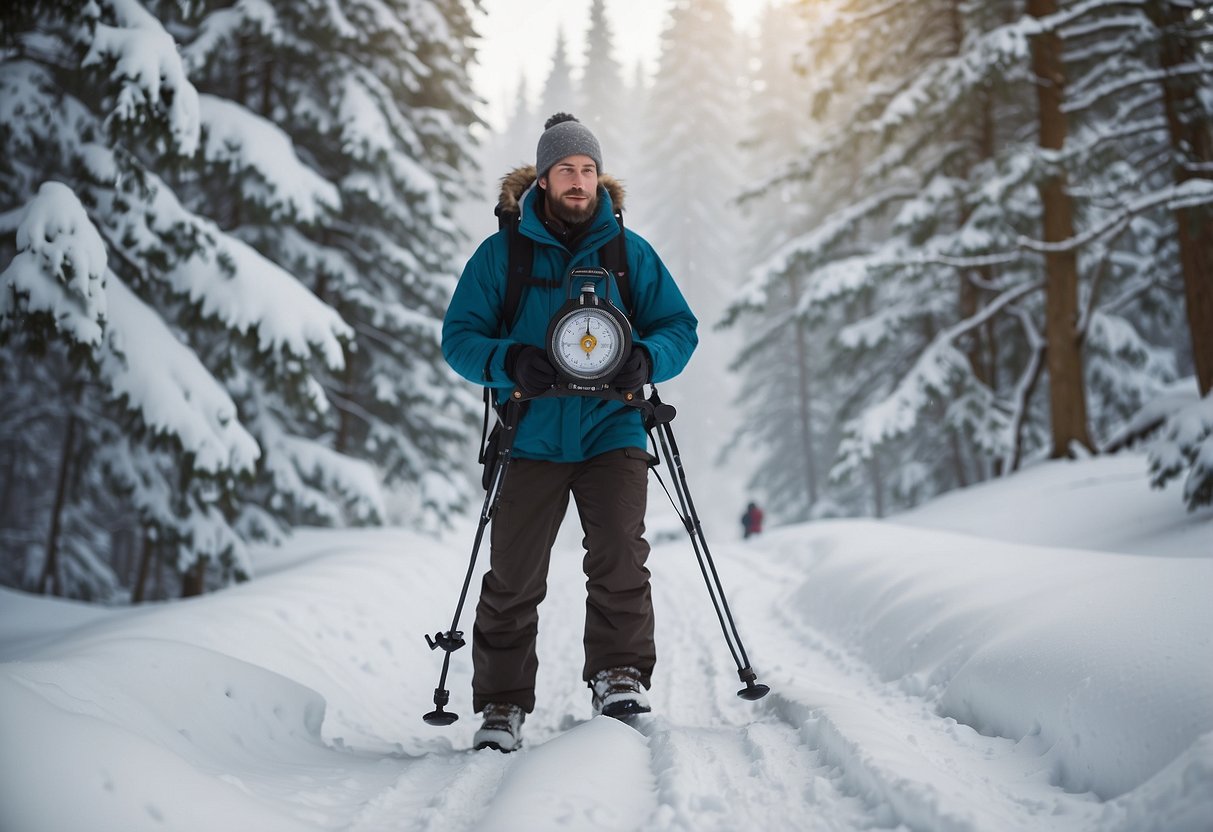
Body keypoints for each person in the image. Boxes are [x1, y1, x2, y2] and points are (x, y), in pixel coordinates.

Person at [441, 113, 698, 752]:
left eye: (587, 170)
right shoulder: (502, 253)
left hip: (613, 428)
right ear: (544, 178)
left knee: (619, 556)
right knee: (514, 576)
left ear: (598, 176)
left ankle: (619, 677)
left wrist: (645, 357)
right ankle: (501, 705)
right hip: (530, 432)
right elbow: (460, 339)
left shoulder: (628, 251)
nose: (579, 181)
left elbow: (679, 327)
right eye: (566, 171)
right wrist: (510, 362)